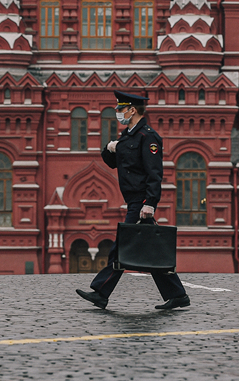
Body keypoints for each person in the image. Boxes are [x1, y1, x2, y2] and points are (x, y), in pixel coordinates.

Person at [76, 91, 190, 310]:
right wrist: (109, 148)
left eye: (121, 109)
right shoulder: (127, 137)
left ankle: (101, 292)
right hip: (133, 201)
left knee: (121, 248)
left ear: (132, 110)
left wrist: (150, 203)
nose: (118, 112)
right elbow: (114, 163)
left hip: (140, 202)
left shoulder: (148, 137)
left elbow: (154, 173)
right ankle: (178, 295)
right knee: (152, 251)